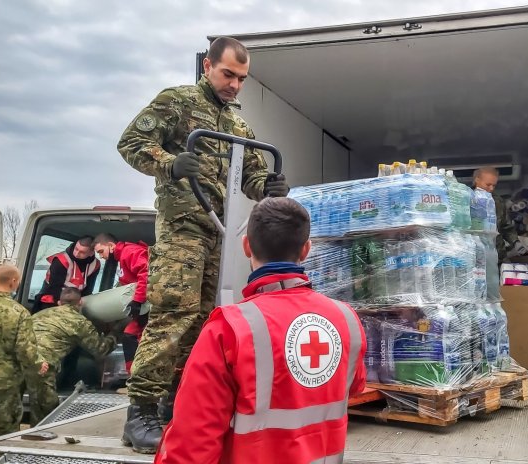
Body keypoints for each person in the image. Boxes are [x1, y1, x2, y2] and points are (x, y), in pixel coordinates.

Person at [116, 36, 290, 453]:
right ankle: (139, 411)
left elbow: (251, 177)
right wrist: (170, 163)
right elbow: (131, 144)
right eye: (228, 74)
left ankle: (174, 406)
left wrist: (268, 186)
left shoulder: (237, 125)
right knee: (173, 314)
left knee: (201, 322)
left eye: (241, 79)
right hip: (182, 228)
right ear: (208, 66)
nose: (234, 84)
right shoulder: (175, 102)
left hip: (218, 231)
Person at [153, 197, 366, 464]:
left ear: (246, 246)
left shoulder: (228, 329)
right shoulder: (346, 319)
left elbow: (192, 443)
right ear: (306, 250)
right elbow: (354, 386)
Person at [28, 287, 120, 425]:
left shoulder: (39, 314)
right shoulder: (79, 322)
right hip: (44, 365)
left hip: (19, 359)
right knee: (46, 414)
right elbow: (100, 350)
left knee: (11, 409)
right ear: (80, 302)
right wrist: (116, 332)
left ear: (59, 302)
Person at [0, 265, 48, 437]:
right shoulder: (18, 312)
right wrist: (39, 364)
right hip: (4, 381)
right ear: (13, 282)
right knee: (6, 429)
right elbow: (25, 348)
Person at [93, 233, 150, 373]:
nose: (101, 256)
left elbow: (146, 272)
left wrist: (137, 300)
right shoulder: (121, 258)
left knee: (135, 338)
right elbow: (125, 284)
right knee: (129, 336)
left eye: (101, 252)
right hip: (142, 308)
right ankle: (134, 378)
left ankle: (140, 379)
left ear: (111, 246)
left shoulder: (129, 252)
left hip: (148, 306)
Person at [32, 236, 101, 313]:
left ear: (91, 253)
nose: (77, 254)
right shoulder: (61, 260)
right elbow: (55, 287)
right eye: (76, 249)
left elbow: (88, 290)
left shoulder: (95, 265)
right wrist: (66, 307)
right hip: (51, 300)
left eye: (82, 252)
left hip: (75, 303)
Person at [471, 167, 526, 262]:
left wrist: (515, 242)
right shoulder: (465, 199)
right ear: (477, 180)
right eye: (488, 185)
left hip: (498, 256)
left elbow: (506, 227)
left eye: (494, 185)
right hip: (474, 257)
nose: (491, 188)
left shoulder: (498, 201)